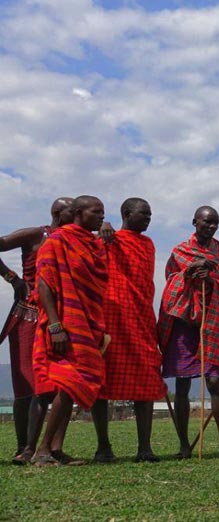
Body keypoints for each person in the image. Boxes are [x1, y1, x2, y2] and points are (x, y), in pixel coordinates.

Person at [30, 195, 108, 466]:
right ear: (77, 213)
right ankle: (41, 450)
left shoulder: (92, 245)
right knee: (68, 382)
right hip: (63, 324)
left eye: (103, 212)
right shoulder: (56, 241)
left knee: (73, 387)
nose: (101, 216)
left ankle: (55, 449)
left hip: (87, 325)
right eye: (96, 212)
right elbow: (44, 284)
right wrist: (54, 325)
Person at [158, 206, 219, 459]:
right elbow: (171, 282)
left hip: (211, 321)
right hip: (184, 322)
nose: (211, 227)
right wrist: (192, 272)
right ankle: (184, 445)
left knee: (214, 380)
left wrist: (212, 278)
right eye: (206, 222)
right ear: (195, 222)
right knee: (182, 383)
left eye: (215, 223)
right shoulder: (179, 250)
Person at [93, 198, 167, 463]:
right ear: (127, 213)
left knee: (146, 381)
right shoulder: (107, 239)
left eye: (150, 214)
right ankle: (103, 447)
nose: (148, 218)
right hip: (112, 318)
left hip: (141, 318)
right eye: (144, 213)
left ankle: (144, 448)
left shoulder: (147, 244)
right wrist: (102, 228)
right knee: (101, 382)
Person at [1, 197, 73, 464]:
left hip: (62, 318)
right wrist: (12, 278)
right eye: (71, 210)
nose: (77, 213)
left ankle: (53, 448)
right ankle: (24, 448)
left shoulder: (76, 239)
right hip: (29, 315)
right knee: (27, 386)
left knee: (62, 383)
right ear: (57, 212)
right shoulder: (35, 234)